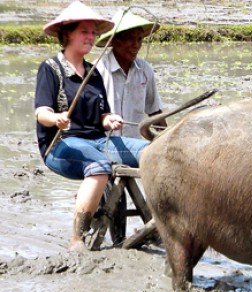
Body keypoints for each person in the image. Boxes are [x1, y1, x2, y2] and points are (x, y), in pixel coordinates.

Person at [34, 1, 149, 252]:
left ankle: (162, 223)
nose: (90, 37)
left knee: (153, 152)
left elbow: (102, 116)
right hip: (62, 145)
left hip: (99, 141)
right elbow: (41, 113)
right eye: (84, 32)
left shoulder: (93, 72)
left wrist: (110, 120)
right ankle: (77, 237)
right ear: (67, 34)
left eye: (92, 32)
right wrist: (56, 119)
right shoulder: (51, 69)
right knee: (99, 166)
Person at [95, 10, 166, 138]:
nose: (136, 45)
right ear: (116, 42)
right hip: (105, 143)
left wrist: (168, 136)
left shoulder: (144, 69)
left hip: (135, 145)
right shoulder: (98, 70)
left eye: (139, 39)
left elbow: (154, 110)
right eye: (130, 39)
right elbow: (90, 116)